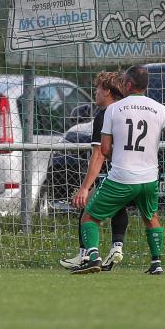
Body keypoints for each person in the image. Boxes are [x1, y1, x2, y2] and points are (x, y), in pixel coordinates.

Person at [71, 65, 165, 275]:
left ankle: (93, 257)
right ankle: (156, 263)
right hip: (149, 178)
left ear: (128, 85)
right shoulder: (160, 109)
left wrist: (119, 156)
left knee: (89, 216)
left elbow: (103, 149)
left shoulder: (113, 109)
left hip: (121, 177)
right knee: (151, 217)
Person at [60, 71, 129, 271]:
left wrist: (84, 187)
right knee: (124, 207)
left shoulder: (105, 115)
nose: (95, 93)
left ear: (107, 91)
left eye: (98, 88)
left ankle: (88, 255)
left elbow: (99, 154)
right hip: (142, 174)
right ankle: (118, 247)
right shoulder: (127, 110)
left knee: (86, 208)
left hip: (115, 174)